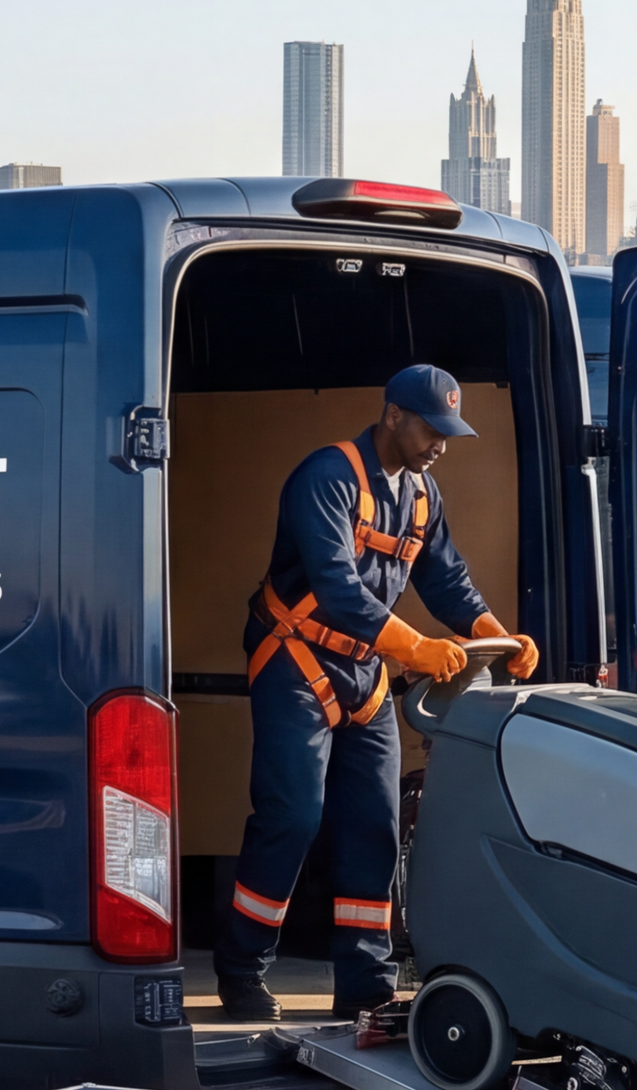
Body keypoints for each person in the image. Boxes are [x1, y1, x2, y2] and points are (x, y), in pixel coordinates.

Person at [217, 363, 537, 1029]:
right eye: (431, 428)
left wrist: (495, 637)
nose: (440, 445)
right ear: (393, 415)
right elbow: (338, 590)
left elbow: (448, 581)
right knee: (294, 815)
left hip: (367, 676)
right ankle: (241, 969)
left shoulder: (423, 494)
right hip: (296, 660)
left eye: (449, 432)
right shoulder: (327, 478)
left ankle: (365, 985)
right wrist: (417, 648)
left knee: (374, 828)